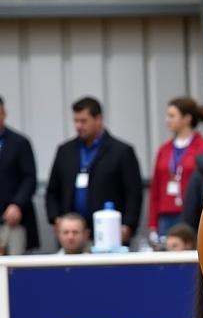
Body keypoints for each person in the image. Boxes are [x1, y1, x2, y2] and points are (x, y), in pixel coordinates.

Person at [45, 97, 143, 245]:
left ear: (98, 119)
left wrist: (128, 225)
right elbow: (52, 189)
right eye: (75, 121)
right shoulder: (65, 151)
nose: (78, 126)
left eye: (83, 121)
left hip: (108, 231)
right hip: (72, 234)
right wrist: (55, 218)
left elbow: (133, 192)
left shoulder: (121, 151)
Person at [148, 97, 203, 237]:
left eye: (172, 116)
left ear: (186, 118)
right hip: (166, 215)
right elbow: (156, 189)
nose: (167, 120)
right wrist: (153, 223)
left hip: (192, 214)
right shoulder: (164, 149)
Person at [0, 96, 39, 255]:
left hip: (13, 219)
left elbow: (29, 178)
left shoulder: (19, 143)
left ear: (4, 114)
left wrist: (17, 203)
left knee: (14, 265)